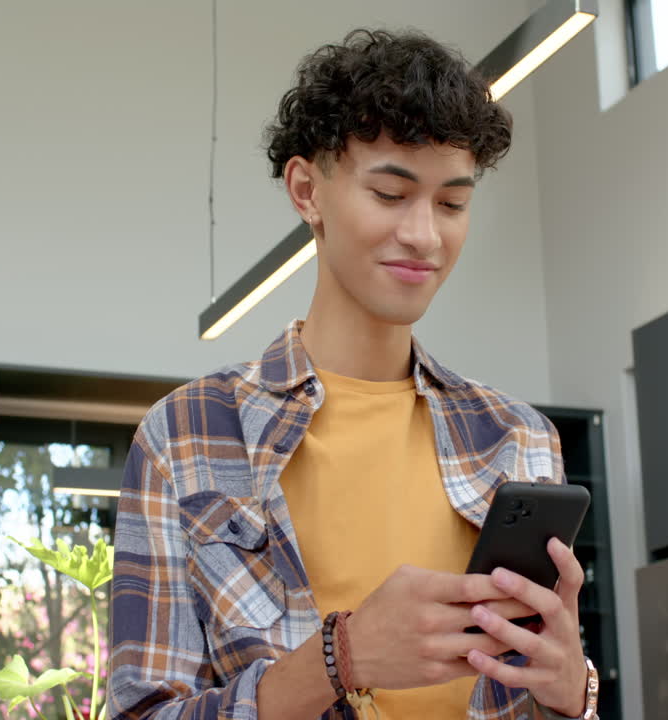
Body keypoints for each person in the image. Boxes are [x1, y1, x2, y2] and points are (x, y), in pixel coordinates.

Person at [108, 28, 597, 720]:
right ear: (307, 190)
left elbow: (541, 692)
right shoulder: (186, 436)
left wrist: (574, 691)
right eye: (392, 194)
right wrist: (345, 658)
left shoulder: (518, 438)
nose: (426, 235)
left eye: (452, 204)